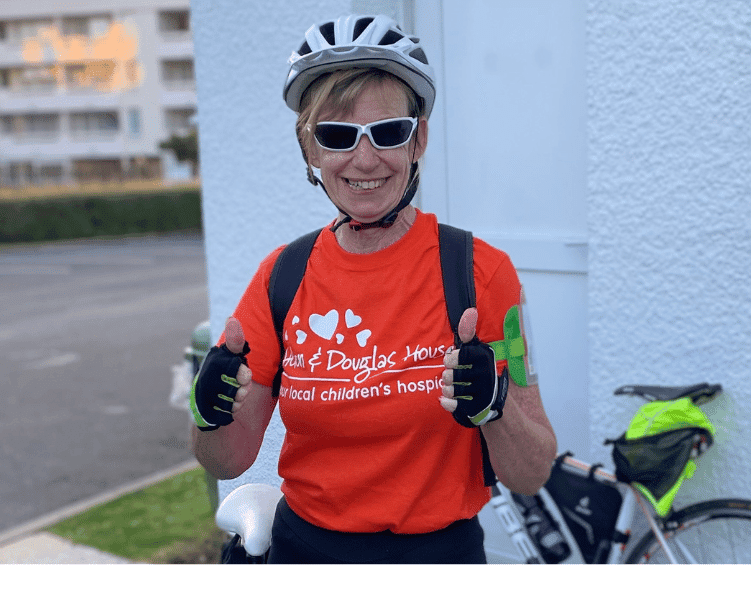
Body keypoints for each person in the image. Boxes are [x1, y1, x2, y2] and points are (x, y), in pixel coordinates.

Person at [191, 14, 557, 564]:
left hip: (439, 556)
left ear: (419, 140)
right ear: (310, 149)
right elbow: (227, 460)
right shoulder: (282, 276)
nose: (365, 159)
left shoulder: (480, 271)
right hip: (305, 553)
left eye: (388, 133)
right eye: (337, 136)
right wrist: (208, 414)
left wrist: (495, 406)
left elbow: (532, 473)